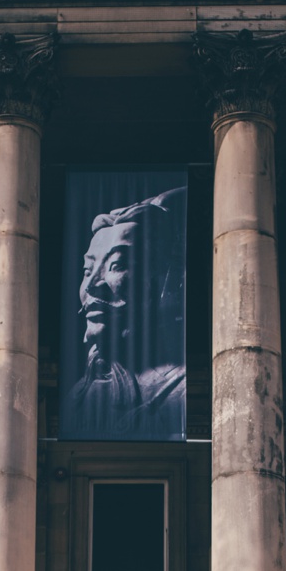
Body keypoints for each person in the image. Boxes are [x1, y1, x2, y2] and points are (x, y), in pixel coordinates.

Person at [66, 185, 187, 440]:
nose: (90, 286)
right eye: (88, 271)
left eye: (117, 265)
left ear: (167, 277)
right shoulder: (82, 393)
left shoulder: (182, 390)